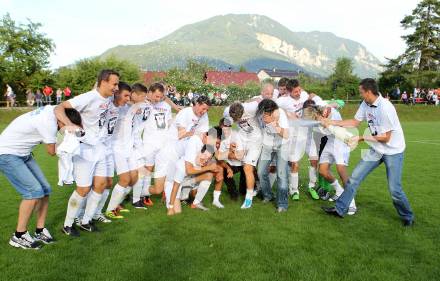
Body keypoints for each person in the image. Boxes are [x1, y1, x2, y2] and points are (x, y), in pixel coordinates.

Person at [321, 78, 414, 226]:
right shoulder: (365, 103)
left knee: (394, 189)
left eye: (361, 92)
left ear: (369, 92)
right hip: (376, 149)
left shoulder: (386, 108)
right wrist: (332, 122)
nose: (360, 94)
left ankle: (408, 217)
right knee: (354, 179)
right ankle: (340, 209)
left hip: (393, 151)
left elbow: (386, 138)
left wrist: (362, 138)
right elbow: (355, 122)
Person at [0, 105, 82, 249]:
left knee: (45, 189)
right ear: (62, 122)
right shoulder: (49, 124)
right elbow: (52, 151)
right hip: (7, 153)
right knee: (33, 192)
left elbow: (60, 106)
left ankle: (39, 230)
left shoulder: (53, 110)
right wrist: (70, 143)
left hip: (23, 153)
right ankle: (19, 235)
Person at [56, 69, 120, 236]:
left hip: (101, 149)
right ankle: (67, 225)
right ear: (104, 82)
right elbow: (59, 107)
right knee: (83, 189)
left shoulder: (109, 97)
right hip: (85, 149)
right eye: (114, 84)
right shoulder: (89, 97)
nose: (117, 87)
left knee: (100, 185)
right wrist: (69, 125)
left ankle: (86, 221)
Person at [105, 83, 149, 219]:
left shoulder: (129, 106)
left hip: (129, 149)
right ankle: (110, 210)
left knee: (134, 177)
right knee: (124, 179)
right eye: (127, 95)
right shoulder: (112, 106)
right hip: (117, 148)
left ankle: (117, 204)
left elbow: (142, 104)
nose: (143, 98)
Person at [276, 79, 321, 201]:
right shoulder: (283, 101)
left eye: (299, 90)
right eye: (296, 91)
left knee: (314, 160)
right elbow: (272, 105)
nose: (299, 93)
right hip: (295, 137)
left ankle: (312, 186)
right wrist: (287, 113)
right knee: (295, 164)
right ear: (289, 91)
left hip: (308, 135)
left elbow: (312, 96)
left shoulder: (304, 95)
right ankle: (294, 190)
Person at [138, 83, 172, 208]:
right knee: (148, 169)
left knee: (163, 169)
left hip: (163, 144)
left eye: (160, 97)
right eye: (156, 96)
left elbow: (169, 123)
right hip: (149, 143)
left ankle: (151, 193)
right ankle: (142, 195)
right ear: (150, 92)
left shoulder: (166, 106)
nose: (158, 99)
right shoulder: (145, 104)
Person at [226, 100, 263, 209]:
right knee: (240, 159)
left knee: (247, 167)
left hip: (255, 139)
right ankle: (256, 186)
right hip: (242, 138)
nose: (237, 120)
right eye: (235, 119)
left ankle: (248, 199)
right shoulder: (227, 111)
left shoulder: (252, 107)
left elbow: (262, 102)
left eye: (238, 118)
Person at [256, 99, 290, 212]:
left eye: (265, 113)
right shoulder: (262, 112)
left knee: (281, 174)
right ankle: (268, 195)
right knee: (260, 172)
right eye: (262, 113)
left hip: (282, 146)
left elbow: (286, 135)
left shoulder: (280, 114)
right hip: (267, 145)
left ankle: (282, 204)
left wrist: (274, 124)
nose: (263, 115)